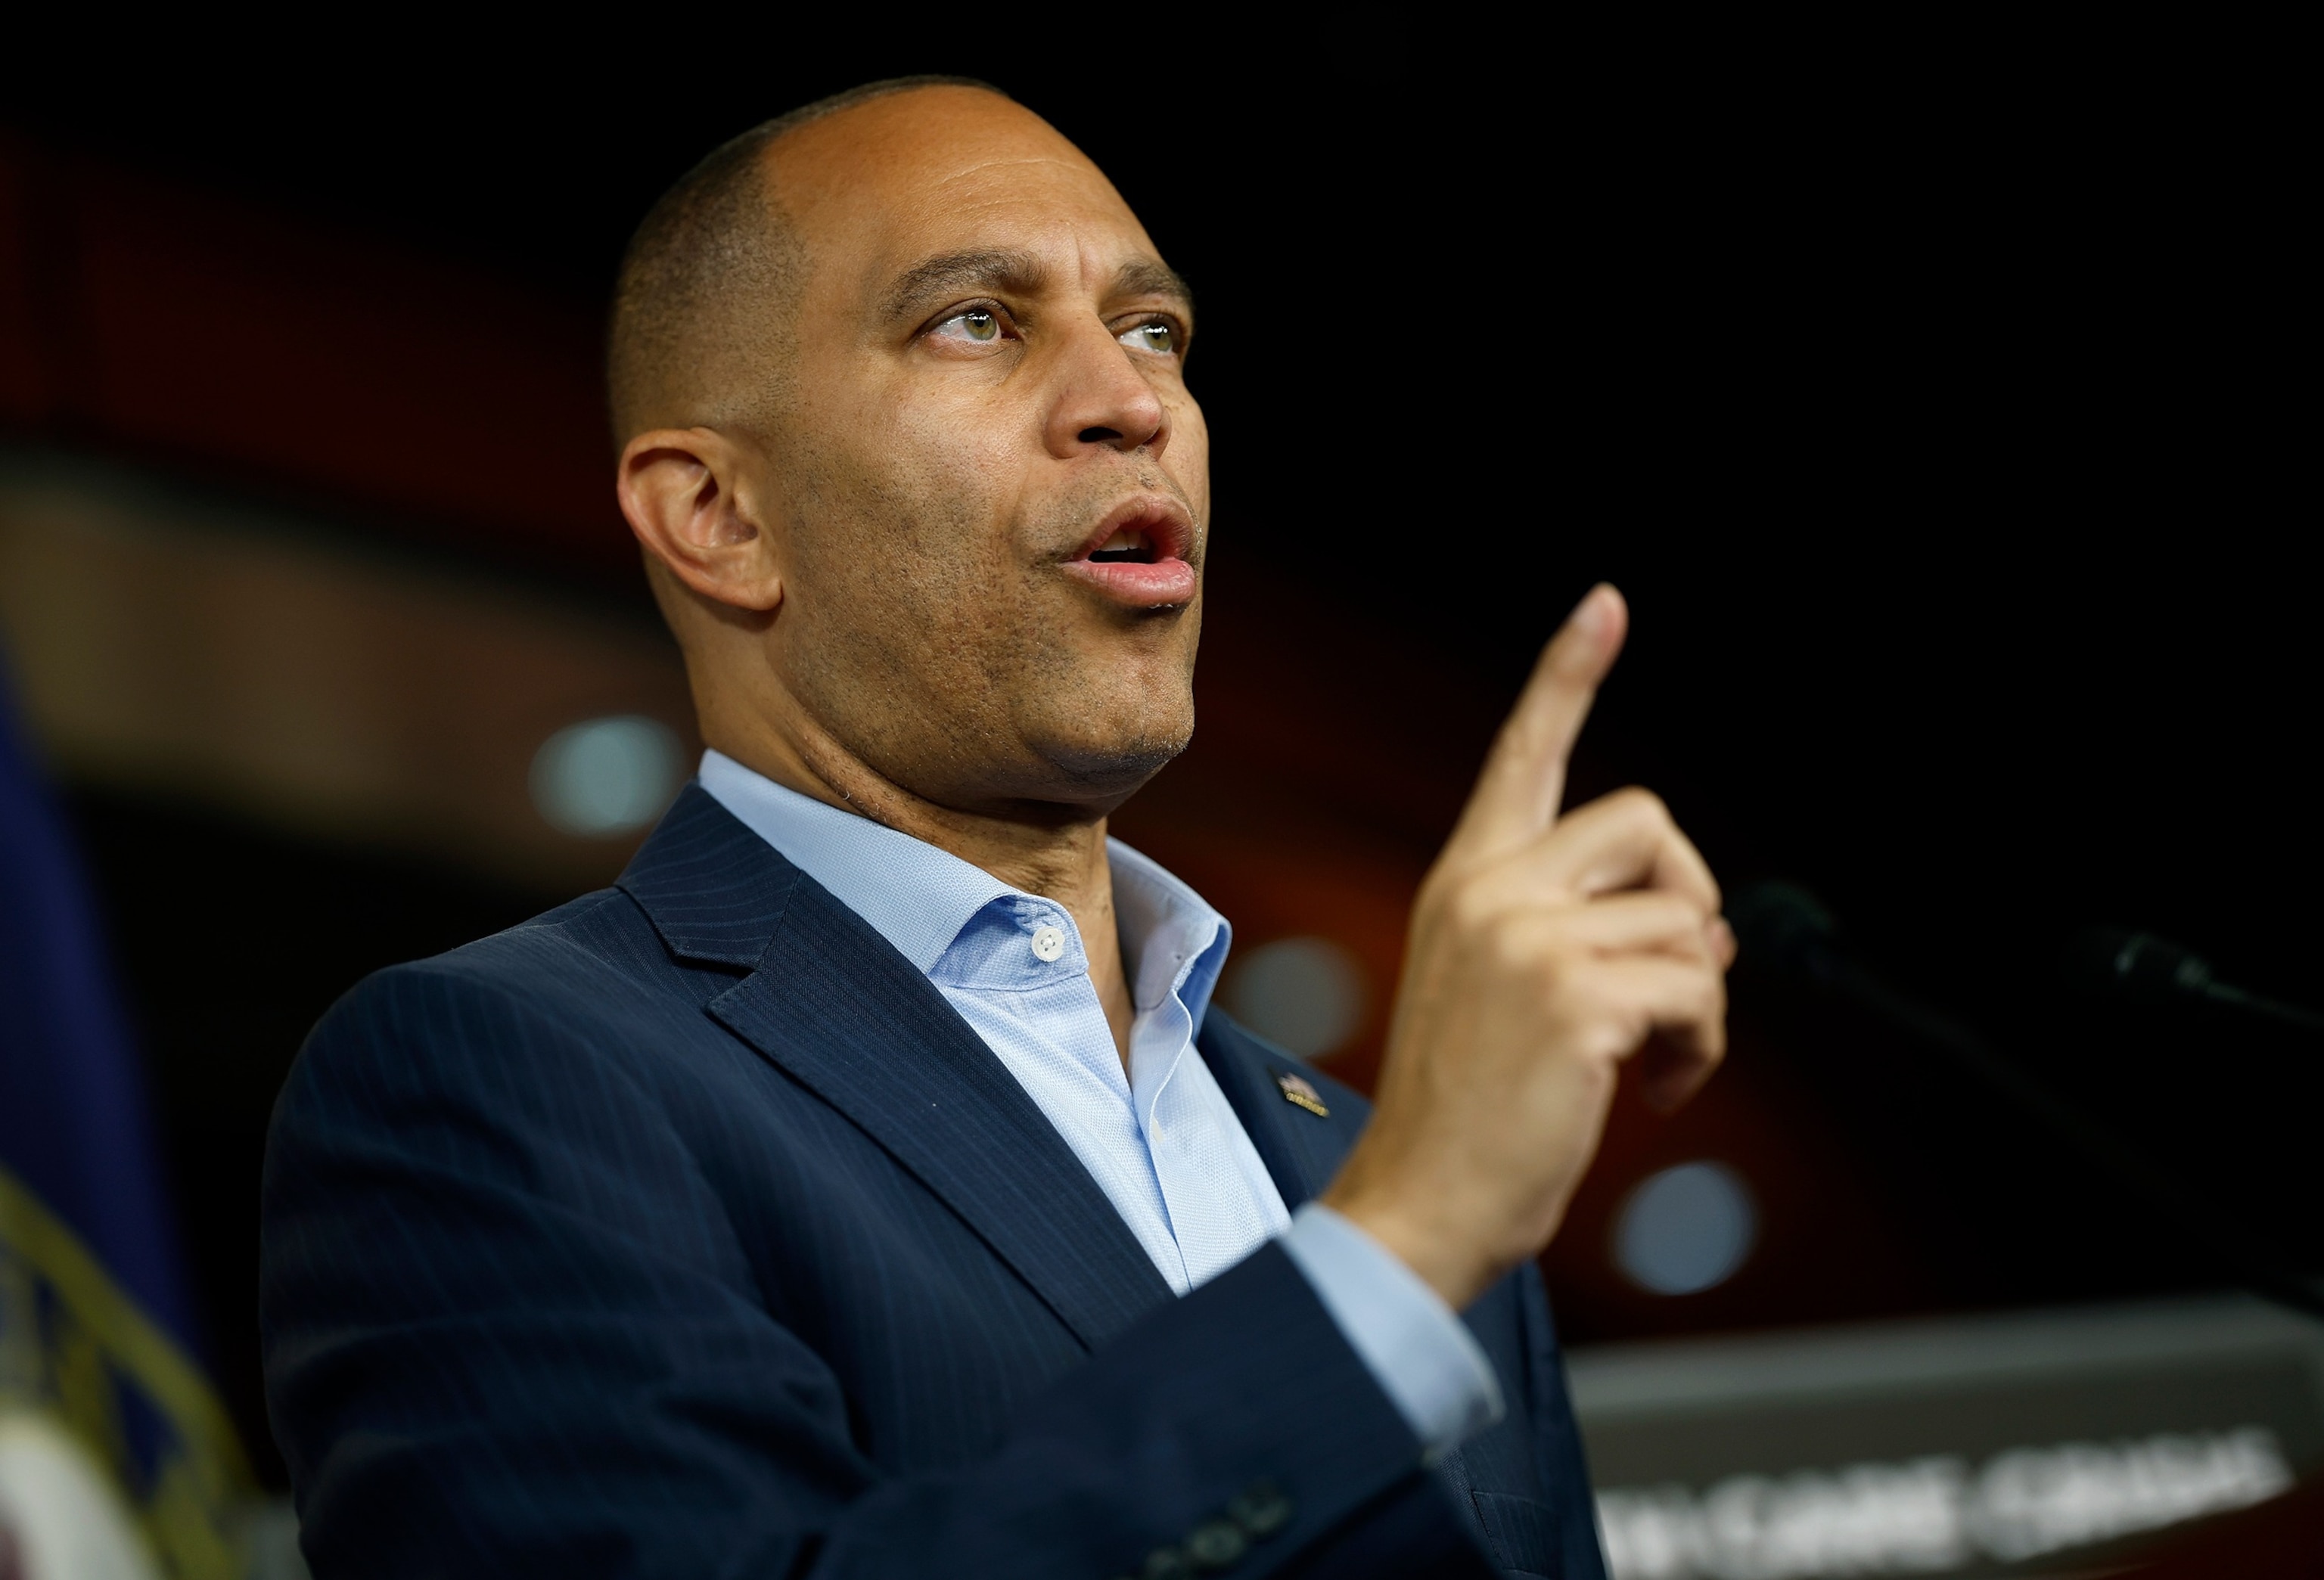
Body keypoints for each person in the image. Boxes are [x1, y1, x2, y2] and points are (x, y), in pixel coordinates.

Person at [260, 76, 1732, 1579]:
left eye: (1153, 329)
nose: (1132, 402)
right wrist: (1402, 1246)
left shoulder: (1357, 1148)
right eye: (976, 321)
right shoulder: (492, 1083)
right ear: (721, 516)